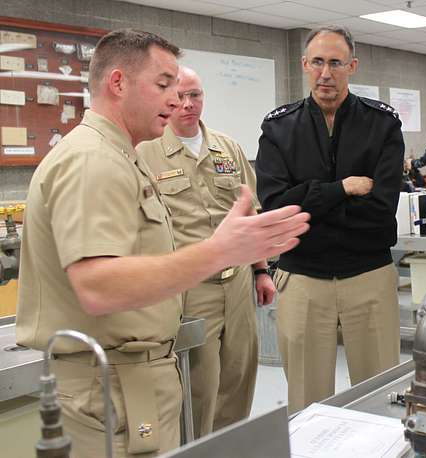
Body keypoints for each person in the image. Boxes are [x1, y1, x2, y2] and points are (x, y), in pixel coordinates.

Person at [16, 29, 309, 458]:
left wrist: (247, 258)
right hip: (111, 389)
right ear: (118, 83)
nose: (176, 100)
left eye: (179, 87)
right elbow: (98, 286)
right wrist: (221, 251)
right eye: (163, 84)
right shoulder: (92, 160)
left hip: (134, 379)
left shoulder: (122, 155)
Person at [255, 26, 404, 413]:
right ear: (304, 65)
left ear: (351, 66)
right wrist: (343, 189)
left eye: (335, 62)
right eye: (317, 62)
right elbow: (274, 208)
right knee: (307, 403)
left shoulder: (382, 124)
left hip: (367, 276)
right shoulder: (278, 128)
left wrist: (308, 202)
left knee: (380, 395)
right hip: (303, 279)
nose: (326, 72)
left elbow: (381, 210)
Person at [137, 66, 274, 437]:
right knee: (200, 388)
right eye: (179, 97)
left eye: (195, 95)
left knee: (240, 377)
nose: (187, 104)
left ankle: (230, 446)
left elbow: (250, 212)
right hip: (191, 289)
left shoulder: (227, 147)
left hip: (239, 285)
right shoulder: (146, 152)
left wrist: (261, 271)